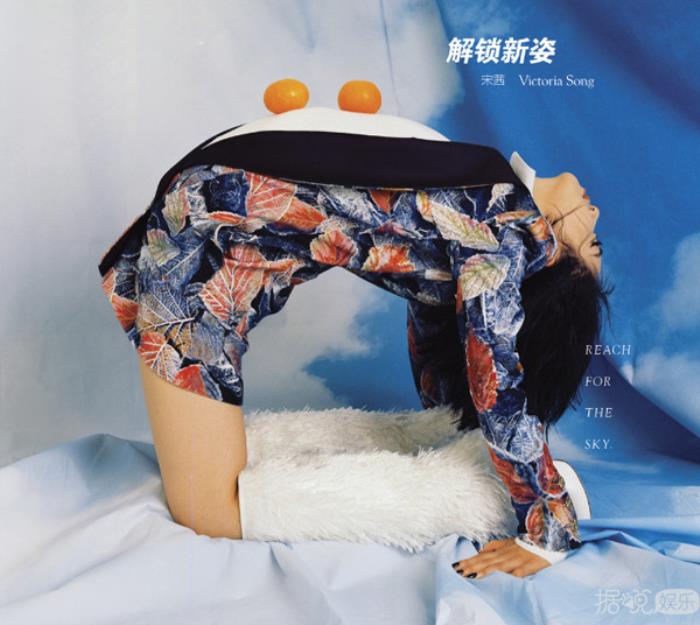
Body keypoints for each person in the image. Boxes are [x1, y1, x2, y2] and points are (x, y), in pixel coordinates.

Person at [97, 110, 613, 579]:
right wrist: (546, 517)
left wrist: (546, 524)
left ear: (554, 263)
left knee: (211, 514)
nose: (595, 216)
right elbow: (475, 365)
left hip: (197, 249)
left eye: (592, 244)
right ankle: (482, 484)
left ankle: (485, 489)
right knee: (211, 503)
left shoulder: (502, 226)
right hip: (200, 239)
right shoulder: (492, 203)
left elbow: (486, 373)